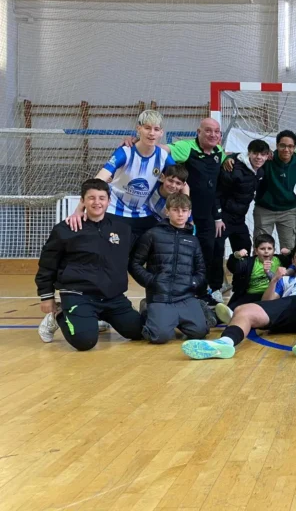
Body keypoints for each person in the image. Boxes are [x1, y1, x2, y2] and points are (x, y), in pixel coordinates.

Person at [180, 243, 296, 360]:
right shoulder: (284, 280)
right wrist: (275, 279)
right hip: (286, 304)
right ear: (293, 261)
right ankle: (224, 343)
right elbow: (267, 301)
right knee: (243, 309)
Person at [36, 179, 144, 350]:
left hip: (112, 298)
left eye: (102, 198)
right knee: (85, 341)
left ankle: (97, 318)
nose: (97, 202)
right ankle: (58, 314)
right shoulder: (65, 229)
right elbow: (47, 264)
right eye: (91, 198)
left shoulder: (122, 229)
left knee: (141, 332)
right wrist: (46, 295)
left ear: (109, 201)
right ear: (83, 201)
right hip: (78, 295)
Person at [67, 110, 174, 244]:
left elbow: (182, 182)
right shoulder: (125, 152)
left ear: (161, 132)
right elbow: (97, 181)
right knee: (114, 252)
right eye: (147, 128)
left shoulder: (163, 157)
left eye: (156, 129)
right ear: (138, 129)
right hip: (115, 211)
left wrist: (189, 215)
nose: (151, 133)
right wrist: (78, 210)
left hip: (143, 213)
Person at [129, 193, 209, 344]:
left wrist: (192, 283)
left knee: (200, 332)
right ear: (167, 211)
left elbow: (201, 270)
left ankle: (198, 309)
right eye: (175, 210)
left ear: (189, 213)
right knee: (159, 337)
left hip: (185, 296)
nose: (180, 214)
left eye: (184, 210)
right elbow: (134, 264)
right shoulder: (152, 234)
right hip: (160, 296)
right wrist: (152, 281)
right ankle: (148, 309)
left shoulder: (193, 240)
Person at [166, 118, 227, 303]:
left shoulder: (219, 152)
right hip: (187, 215)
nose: (213, 135)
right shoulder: (186, 148)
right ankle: (181, 292)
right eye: (208, 131)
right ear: (198, 132)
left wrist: (231, 160)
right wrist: (133, 142)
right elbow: (161, 149)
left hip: (208, 215)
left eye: (216, 132)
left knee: (211, 250)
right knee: (185, 253)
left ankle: (208, 291)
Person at [213, 139, 269, 293]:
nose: (259, 157)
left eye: (263, 154)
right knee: (216, 250)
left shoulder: (260, 172)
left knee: (245, 249)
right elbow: (217, 194)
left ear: (267, 156)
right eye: (255, 153)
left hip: (239, 219)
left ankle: (240, 286)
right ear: (249, 153)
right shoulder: (233, 169)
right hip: (223, 218)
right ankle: (215, 288)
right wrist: (217, 218)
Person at [214, 234, 286, 324]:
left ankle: (239, 317)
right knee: (229, 310)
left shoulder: (280, 260)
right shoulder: (249, 262)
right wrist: (236, 255)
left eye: (269, 248)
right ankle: (212, 318)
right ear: (256, 251)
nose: (266, 252)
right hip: (250, 295)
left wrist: (289, 252)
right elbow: (232, 267)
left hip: (272, 296)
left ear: (274, 250)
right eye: (262, 249)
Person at [254, 130, 296, 252]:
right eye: (283, 145)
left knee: (289, 250)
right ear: (277, 146)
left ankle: (287, 272)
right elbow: (246, 156)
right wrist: (229, 158)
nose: (286, 149)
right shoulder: (267, 158)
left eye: (290, 146)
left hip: (288, 211)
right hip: (264, 209)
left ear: (295, 148)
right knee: (261, 248)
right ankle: (259, 271)